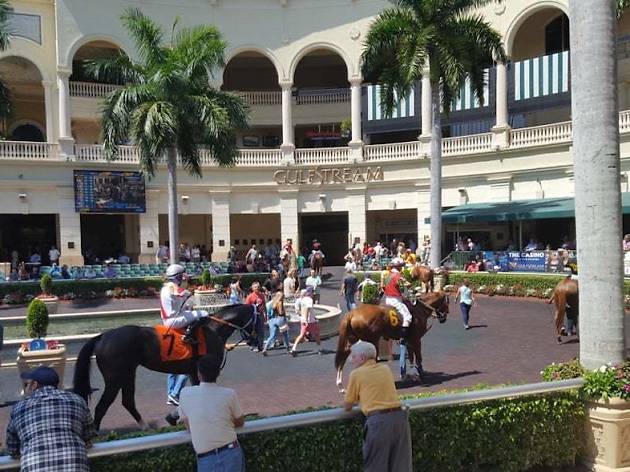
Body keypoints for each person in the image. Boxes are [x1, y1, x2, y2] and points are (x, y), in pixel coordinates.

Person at [6, 366, 96, 472]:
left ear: (34, 385)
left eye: (27, 384)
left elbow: (12, 448)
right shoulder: (77, 400)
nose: (26, 387)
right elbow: (89, 434)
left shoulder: (19, 408)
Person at [343, 341, 412, 472]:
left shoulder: (356, 374)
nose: (351, 361)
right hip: (399, 419)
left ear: (362, 358)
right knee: (401, 467)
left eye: (353, 357)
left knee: (375, 467)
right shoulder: (385, 369)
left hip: (379, 423)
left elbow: (348, 405)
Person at [178, 354, 246, 472]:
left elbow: (189, 426)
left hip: (206, 458)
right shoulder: (229, 394)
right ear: (218, 373)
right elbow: (240, 422)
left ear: (199, 374)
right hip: (231, 452)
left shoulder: (185, 393)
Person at [160, 264, 210, 405]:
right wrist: (192, 291)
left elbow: (182, 301)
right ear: (177, 276)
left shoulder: (167, 287)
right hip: (173, 321)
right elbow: (185, 294)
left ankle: (171, 393)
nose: (184, 277)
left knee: (173, 367)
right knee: (203, 313)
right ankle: (189, 334)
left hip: (171, 319)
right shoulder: (172, 287)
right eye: (182, 275)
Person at [382, 258, 412, 337]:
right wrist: (409, 286)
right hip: (395, 300)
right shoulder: (398, 276)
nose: (401, 268)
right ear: (398, 267)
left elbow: (383, 287)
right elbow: (403, 289)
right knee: (407, 317)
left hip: (387, 299)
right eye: (401, 266)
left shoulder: (387, 275)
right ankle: (403, 335)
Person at [290, 287, 322, 356]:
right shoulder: (310, 300)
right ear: (310, 293)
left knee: (301, 335)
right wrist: (307, 319)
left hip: (303, 320)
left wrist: (304, 318)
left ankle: (293, 348)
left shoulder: (303, 300)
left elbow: (303, 310)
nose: (313, 293)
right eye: (312, 292)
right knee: (317, 334)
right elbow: (307, 309)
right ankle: (319, 349)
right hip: (310, 321)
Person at [262, 291, 291, 356]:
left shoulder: (271, 303)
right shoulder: (280, 302)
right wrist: (285, 311)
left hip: (272, 320)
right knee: (285, 335)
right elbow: (280, 312)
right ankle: (288, 349)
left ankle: (265, 348)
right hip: (280, 319)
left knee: (272, 335)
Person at [244, 282, 265, 352]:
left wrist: (266, 315)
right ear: (252, 288)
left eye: (258, 287)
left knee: (261, 331)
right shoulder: (250, 296)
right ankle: (253, 345)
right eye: (255, 287)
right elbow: (246, 307)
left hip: (260, 315)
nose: (257, 288)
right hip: (253, 316)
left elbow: (264, 305)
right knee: (253, 332)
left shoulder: (262, 295)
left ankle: (260, 346)